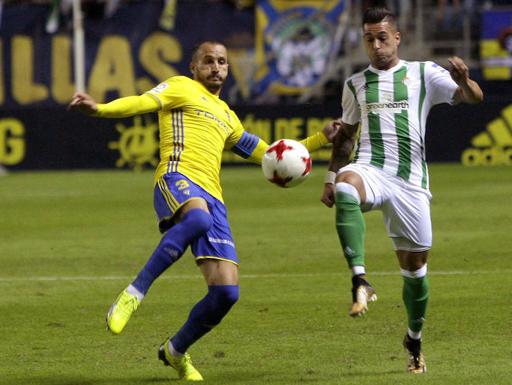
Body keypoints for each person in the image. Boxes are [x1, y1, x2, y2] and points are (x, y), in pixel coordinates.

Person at [69, 40, 337, 381]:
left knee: (226, 293)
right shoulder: (181, 87)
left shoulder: (228, 117)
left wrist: (319, 139)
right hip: (177, 177)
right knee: (197, 218)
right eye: (208, 61)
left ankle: (175, 351)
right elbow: (141, 102)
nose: (216, 67)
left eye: (222, 62)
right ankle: (133, 294)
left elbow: (270, 154)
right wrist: (100, 109)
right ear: (194, 67)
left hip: (214, 198)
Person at [320, 7, 483, 374]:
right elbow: (345, 138)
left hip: (410, 183)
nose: (376, 45)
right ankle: (360, 279)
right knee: (347, 188)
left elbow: (473, 99)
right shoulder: (354, 84)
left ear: (397, 37)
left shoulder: (423, 73)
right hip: (370, 170)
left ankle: (414, 338)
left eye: (382, 37)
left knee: (415, 271)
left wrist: (466, 80)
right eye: (369, 39)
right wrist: (331, 178)